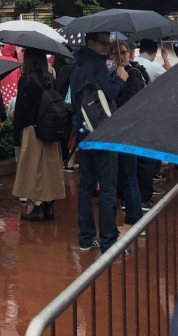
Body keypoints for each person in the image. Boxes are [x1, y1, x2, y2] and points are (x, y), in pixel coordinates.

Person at [70, 31, 127, 252]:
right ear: (91, 42)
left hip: (83, 133)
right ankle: (109, 240)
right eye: (103, 43)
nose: (106, 47)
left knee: (86, 186)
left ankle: (86, 238)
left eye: (108, 43)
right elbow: (109, 92)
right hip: (104, 134)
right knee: (107, 188)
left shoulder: (77, 67)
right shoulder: (99, 65)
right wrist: (121, 80)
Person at [12, 50, 66, 221]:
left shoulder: (26, 80)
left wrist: (16, 133)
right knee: (50, 168)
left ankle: (37, 206)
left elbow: (21, 109)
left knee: (33, 169)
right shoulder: (50, 79)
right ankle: (49, 205)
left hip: (32, 130)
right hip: (50, 129)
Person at [111, 39, 153, 224]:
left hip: (130, 128)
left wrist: (115, 97)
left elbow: (130, 102)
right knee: (129, 174)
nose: (121, 56)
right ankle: (134, 217)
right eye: (116, 53)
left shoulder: (132, 74)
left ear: (130, 53)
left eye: (124, 52)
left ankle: (134, 220)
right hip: (129, 128)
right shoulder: (118, 72)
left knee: (130, 175)